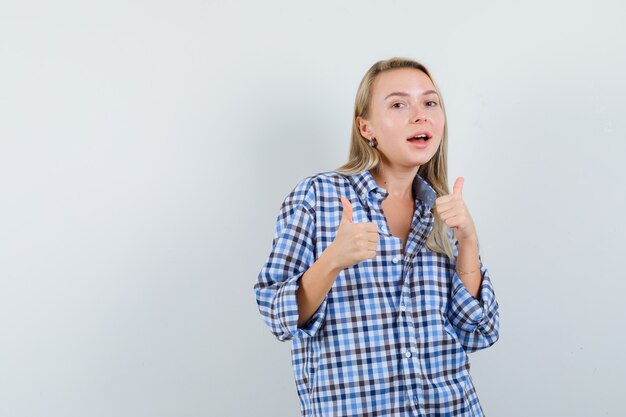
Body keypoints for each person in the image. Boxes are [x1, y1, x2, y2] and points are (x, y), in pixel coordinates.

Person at [253, 56, 500, 417]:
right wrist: (333, 260)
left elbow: (478, 332)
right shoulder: (319, 197)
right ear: (366, 128)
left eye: (430, 102)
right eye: (399, 104)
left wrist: (468, 242)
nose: (420, 115)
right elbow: (276, 314)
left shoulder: (443, 211)